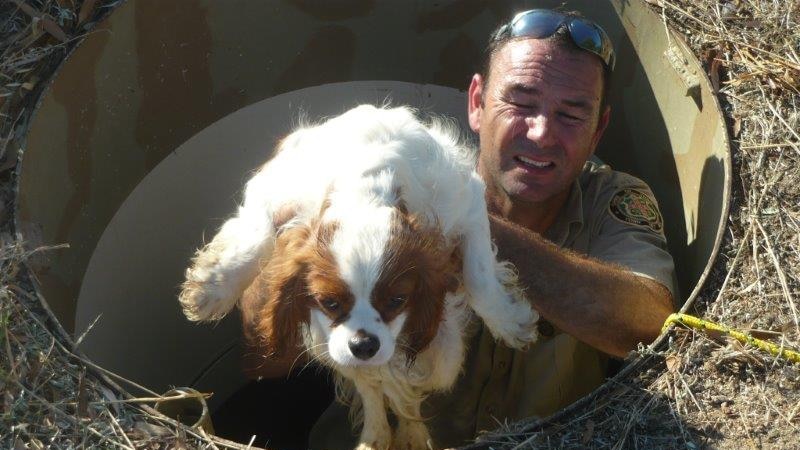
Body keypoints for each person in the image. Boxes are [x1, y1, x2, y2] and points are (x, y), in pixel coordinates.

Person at [309, 8, 677, 449]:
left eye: (571, 115)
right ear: (476, 104)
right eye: (521, 103)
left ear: (599, 130)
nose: (541, 134)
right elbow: (268, 360)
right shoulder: (388, 200)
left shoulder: (611, 202)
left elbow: (652, 326)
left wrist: (472, 230)